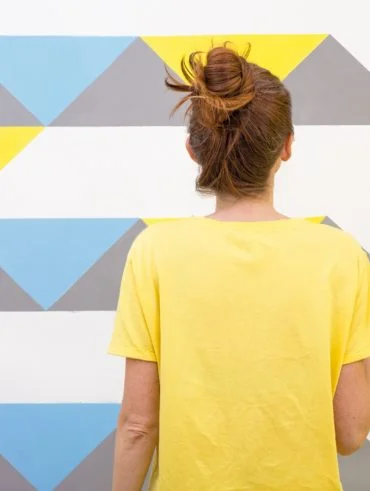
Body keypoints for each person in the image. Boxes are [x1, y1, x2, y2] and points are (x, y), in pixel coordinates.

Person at [108, 43, 370, 490]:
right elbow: (349, 433)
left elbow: (137, 426)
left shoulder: (155, 251)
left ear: (194, 150)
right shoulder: (340, 256)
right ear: (286, 147)